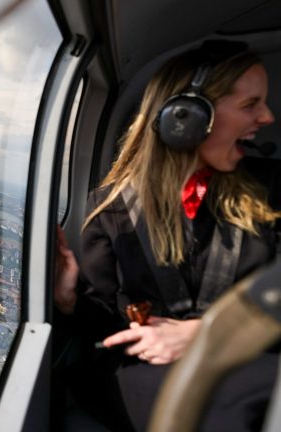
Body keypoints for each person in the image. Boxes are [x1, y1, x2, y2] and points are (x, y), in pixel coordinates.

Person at [54, 42, 279, 431]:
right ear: (186, 116)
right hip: (144, 371)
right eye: (250, 105)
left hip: (250, 361)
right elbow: (105, 327)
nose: (268, 117)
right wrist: (69, 298)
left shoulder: (273, 190)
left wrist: (204, 336)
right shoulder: (112, 210)